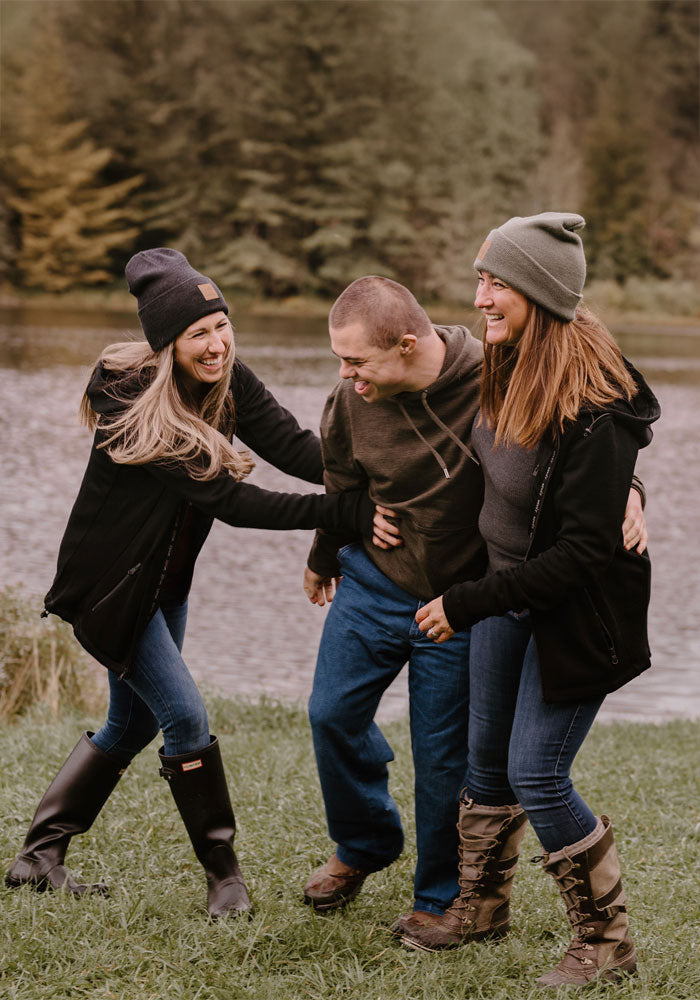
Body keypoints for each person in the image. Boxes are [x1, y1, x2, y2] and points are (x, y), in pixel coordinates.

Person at [5, 248, 388, 920]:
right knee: (184, 717)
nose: (217, 345)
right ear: (166, 344)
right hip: (109, 590)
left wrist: (381, 472)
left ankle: (38, 857)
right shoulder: (132, 402)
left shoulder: (227, 376)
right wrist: (349, 513)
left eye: (221, 326)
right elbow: (236, 503)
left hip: (162, 583)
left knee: (131, 722)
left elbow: (295, 446)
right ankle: (225, 880)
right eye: (197, 335)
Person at [300, 274, 647, 935]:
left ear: (406, 345)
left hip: (464, 597)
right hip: (375, 580)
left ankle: (440, 899)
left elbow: (580, 440)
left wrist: (630, 488)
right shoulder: (349, 401)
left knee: (444, 761)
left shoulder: (493, 372)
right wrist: (326, 551)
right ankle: (364, 845)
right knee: (330, 715)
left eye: (355, 362)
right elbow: (339, 483)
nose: (345, 376)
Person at [403, 213, 659, 989]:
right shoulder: (509, 361)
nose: (480, 296)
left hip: (573, 611)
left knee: (536, 772)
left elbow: (582, 553)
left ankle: (606, 943)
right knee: (486, 767)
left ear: (541, 294)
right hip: (508, 595)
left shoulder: (597, 403)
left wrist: (468, 599)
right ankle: (480, 910)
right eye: (480, 278)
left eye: (496, 282)